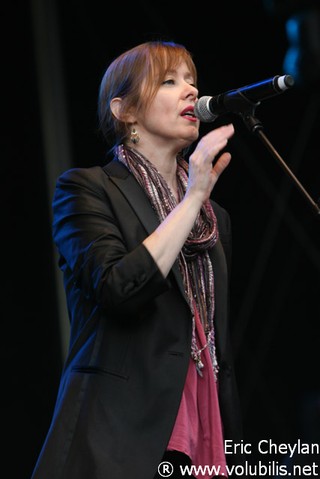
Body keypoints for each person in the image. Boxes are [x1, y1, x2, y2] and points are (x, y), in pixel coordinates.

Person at [31, 40, 244, 479]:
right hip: (120, 435)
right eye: (169, 81)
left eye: (192, 81)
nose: (190, 91)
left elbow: (217, 336)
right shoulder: (86, 189)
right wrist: (192, 199)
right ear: (124, 111)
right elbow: (118, 289)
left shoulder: (214, 218)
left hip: (205, 425)